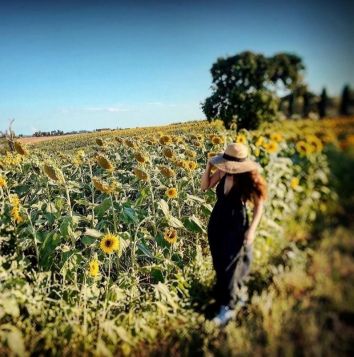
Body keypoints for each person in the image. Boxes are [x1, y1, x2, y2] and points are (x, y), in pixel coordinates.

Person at [200, 142, 267, 326]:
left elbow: (259, 204)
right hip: (217, 221)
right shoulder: (222, 172)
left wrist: (252, 230)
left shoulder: (248, 178)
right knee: (219, 262)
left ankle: (227, 307)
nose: (230, 168)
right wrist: (209, 167)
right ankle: (232, 296)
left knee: (231, 262)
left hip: (236, 223)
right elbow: (204, 186)